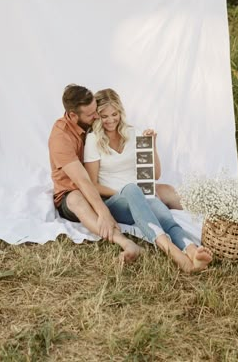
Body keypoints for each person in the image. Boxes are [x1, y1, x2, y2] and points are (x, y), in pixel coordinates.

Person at [83, 88, 213, 273]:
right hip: (117, 202)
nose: (111, 120)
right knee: (133, 190)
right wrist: (127, 192)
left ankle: (193, 253)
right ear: (97, 116)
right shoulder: (93, 139)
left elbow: (154, 176)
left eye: (115, 114)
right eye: (104, 116)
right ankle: (172, 252)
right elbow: (92, 185)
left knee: (166, 219)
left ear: (120, 112)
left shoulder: (132, 133)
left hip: (142, 194)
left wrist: (152, 145)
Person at [48, 84, 142, 263]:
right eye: (92, 114)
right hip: (72, 192)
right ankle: (126, 243)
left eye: (95, 110)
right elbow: (83, 181)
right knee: (77, 198)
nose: (97, 116)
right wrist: (103, 212)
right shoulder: (61, 138)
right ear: (73, 115)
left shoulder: (91, 126)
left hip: (99, 188)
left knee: (161, 190)